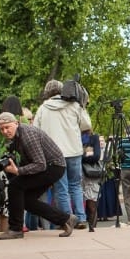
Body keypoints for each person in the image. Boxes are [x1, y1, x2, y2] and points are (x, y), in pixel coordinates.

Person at [0, 112, 79, 239]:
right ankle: (66, 219)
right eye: (2, 129)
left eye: (7, 127)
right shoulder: (17, 136)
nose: (5, 131)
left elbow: (40, 164)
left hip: (53, 167)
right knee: (26, 200)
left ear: (16, 123)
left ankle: (16, 229)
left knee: (15, 186)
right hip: (51, 166)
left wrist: (18, 171)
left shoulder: (28, 135)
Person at [33, 79, 93, 227]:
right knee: (76, 185)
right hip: (73, 150)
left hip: (53, 154)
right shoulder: (74, 105)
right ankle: (81, 217)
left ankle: (67, 219)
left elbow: (36, 131)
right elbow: (87, 125)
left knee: (61, 188)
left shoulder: (43, 109)